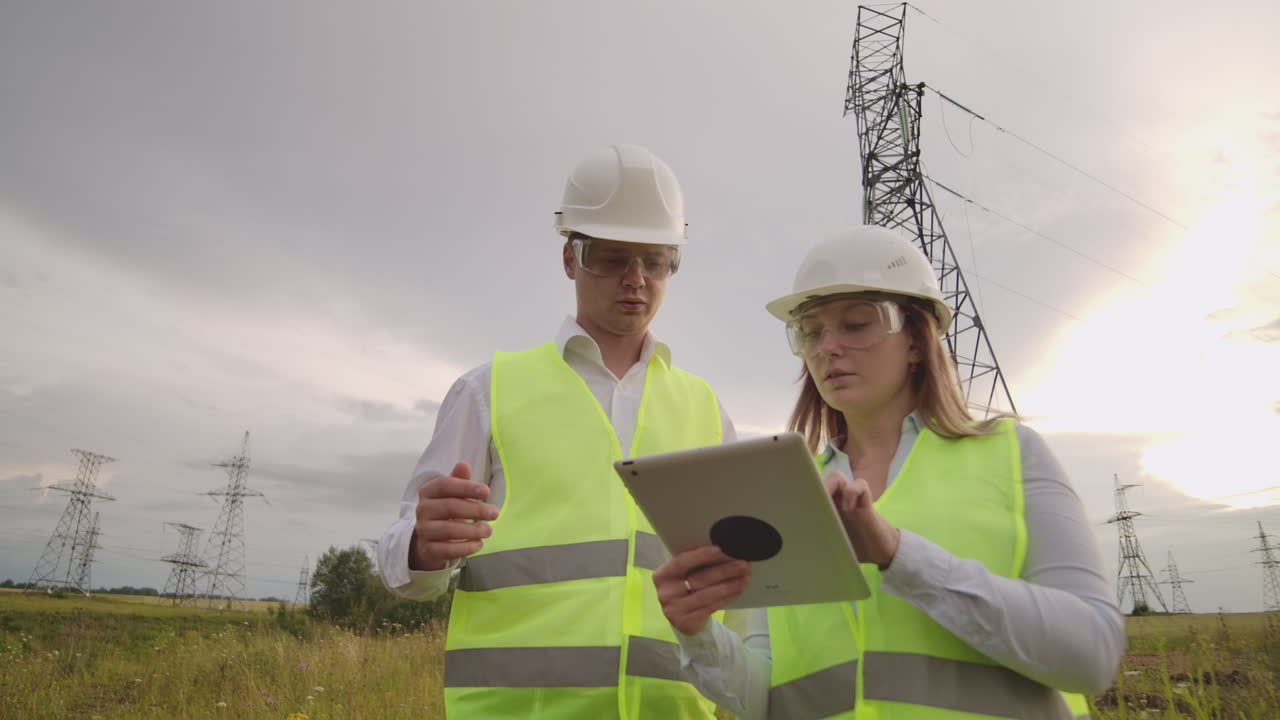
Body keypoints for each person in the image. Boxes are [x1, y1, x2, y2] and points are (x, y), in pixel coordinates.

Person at [651, 225, 1125, 719]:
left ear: (918, 342)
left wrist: (900, 556)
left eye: (856, 324)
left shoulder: (1011, 455)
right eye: (811, 331)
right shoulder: (787, 492)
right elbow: (770, 699)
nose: (827, 347)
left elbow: (1092, 654)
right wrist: (699, 634)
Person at [378, 144, 737, 719]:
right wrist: (423, 546)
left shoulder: (705, 409)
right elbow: (404, 565)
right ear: (571, 258)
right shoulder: (488, 391)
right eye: (613, 258)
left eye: (656, 260)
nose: (636, 279)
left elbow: (741, 588)